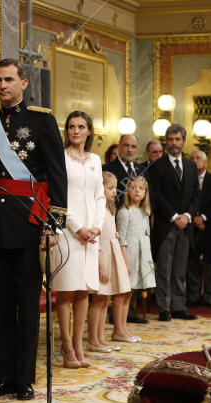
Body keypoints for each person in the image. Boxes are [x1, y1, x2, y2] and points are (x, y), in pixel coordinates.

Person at [0, 58, 67, 401]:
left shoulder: (42, 121)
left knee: (27, 305)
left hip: (29, 223)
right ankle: (2, 377)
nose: (2, 86)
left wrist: (52, 224)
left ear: (24, 83)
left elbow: (56, 174)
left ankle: (24, 378)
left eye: (8, 79)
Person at [52, 111, 105, 369]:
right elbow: (56, 196)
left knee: (84, 289)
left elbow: (100, 196)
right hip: (67, 232)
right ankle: (66, 345)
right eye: (71, 126)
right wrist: (78, 227)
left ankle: (79, 344)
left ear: (89, 131)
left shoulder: (95, 159)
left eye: (81, 126)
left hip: (91, 235)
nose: (75, 131)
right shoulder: (60, 157)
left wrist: (96, 226)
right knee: (66, 289)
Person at [148, 124, 200, 322]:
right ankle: (163, 308)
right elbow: (156, 195)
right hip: (166, 224)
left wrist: (187, 215)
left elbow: (196, 194)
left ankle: (179, 307)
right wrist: (174, 216)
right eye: (170, 139)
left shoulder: (191, 165)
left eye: (177, 139)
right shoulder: (157, 166)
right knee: (164, 269)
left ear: (183, 142)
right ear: (166, 141)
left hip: (186, 226)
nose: (174, 143)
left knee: (180, 269)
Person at [103, 134, 147, 324]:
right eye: (126, 145)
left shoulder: (140, 169)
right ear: (119, 147)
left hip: (136, 223)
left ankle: (130, 312)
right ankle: (114, 313)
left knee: (133, 270)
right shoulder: (108, 169)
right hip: (114, 221)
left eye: (133, 146)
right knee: (119, 273)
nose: (130, 149)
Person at [89, 172, 132, 350]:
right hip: (102, 257)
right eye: (110, 188)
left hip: (111, 253)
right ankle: (93, 340)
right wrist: (100, 265)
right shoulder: (96, 209)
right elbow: (96, 239)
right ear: (100, 188)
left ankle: (100, 338)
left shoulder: (109, 207)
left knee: (105, 300)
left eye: (115, 187)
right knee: (98, 300)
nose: (115, 191)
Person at [116, 176, 155, 340]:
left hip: (140, 256)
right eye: (133, 187)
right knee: (122, 293)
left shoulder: (144, 212)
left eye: (141, 188)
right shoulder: (124, 213)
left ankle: (123, 329)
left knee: (129, 294)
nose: (137, 190)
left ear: (146, 192)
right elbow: (121, 240)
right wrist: (125, 263)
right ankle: (118, 330)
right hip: (128, 256)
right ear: (127, 191)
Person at [187, 150, 211, 307]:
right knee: (191, 263)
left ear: (205, 161)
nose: (195, 161)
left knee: (210, 263)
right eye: (192, 158)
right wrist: (194, 218)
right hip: (190, 227)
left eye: (198, 158)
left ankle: (210, 298)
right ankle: (193, 297)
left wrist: (203, 218)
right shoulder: (185, 179)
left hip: (209, 228)